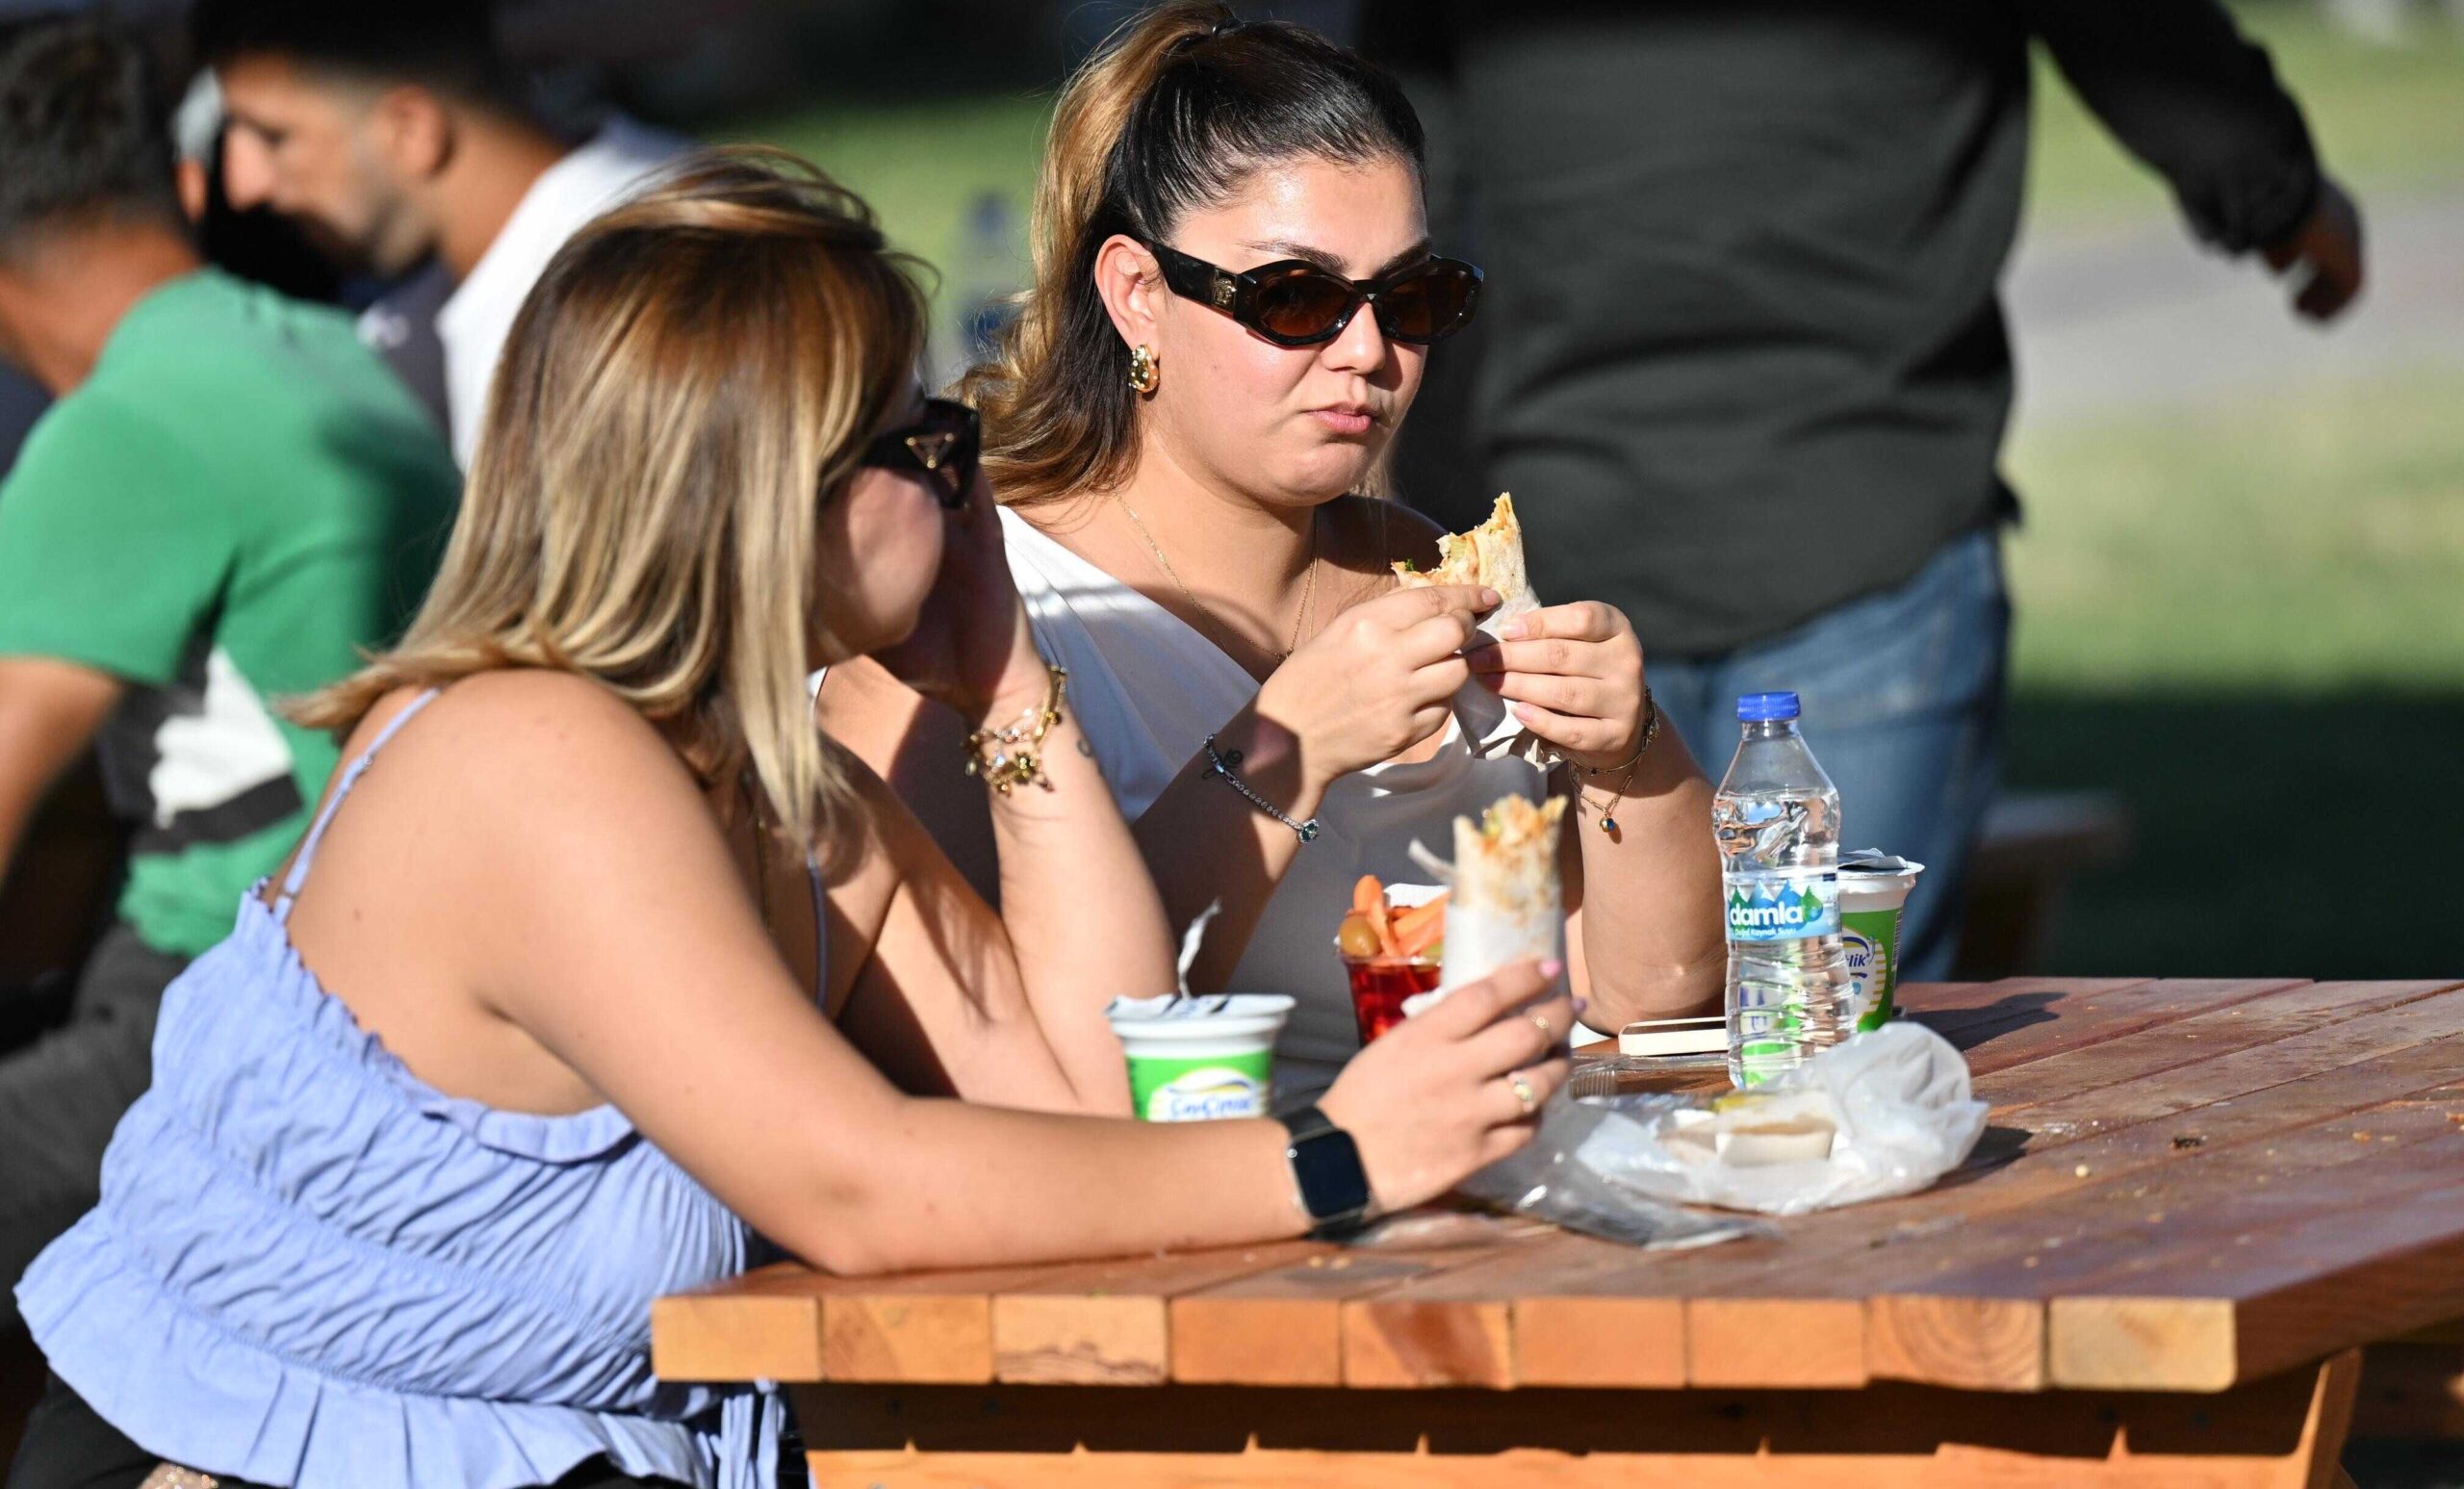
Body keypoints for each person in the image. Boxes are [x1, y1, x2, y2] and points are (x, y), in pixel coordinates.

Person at [8, 149, 1573, 1489]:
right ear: (774, 486)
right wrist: (1332, 1156)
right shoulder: (537, 757)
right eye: (927, 446)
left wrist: (1009, 681)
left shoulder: (778, 787)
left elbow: (1089, 1089)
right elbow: (864, 1182)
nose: (969, 495)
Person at [1358, 0, 2367, 979]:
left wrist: (2274, 192)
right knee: (1768, 1050)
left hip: (1785, 537)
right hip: (1688, 546)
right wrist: (2287, 205)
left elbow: (1392, 139)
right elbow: (2122, 1)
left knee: (1783, 1050)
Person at [824, 1, 1723, 1099]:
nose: (1368, 352)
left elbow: (1645, 1000)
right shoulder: (967, 613)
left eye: (1411, 297)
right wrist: (1280, 748)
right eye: (1295, 298)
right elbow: (981, 1070)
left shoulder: (1434, 573)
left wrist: (1634, 758)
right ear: (1138, 296)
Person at [0, 16, 462, 1324]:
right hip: (367, 980)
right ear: (186, 182)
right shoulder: (314, 351)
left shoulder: (123, 428)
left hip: (235, 1000)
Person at [189, 0, 680, 465]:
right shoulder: (442, 315)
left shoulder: (652, 300)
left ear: (411, 130)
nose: (242, 186)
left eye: (273, 137)